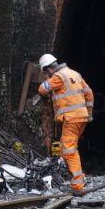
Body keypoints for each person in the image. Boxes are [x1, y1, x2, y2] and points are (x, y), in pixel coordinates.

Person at [37, 53, 94, 194]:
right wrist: (89, 113)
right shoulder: (75, 73)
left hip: (71, 118)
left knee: (69, 150)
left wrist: (46, 80)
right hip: (82, 117)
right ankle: (78, 177)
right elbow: (89, 93)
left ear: (49, 69)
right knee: (68, 148)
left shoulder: (58, 77)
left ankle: (78, 185)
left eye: (46, 72)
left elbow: (42, 89)